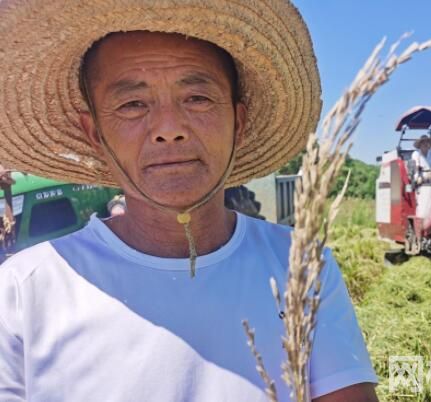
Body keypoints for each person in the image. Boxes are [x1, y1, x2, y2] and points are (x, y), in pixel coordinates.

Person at [0, 1, 378, 401]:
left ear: (240, 121)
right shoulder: (23, 292)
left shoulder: (301, 269)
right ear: (94, 133)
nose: (169, 129)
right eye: (132, 104)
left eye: (197, 98)